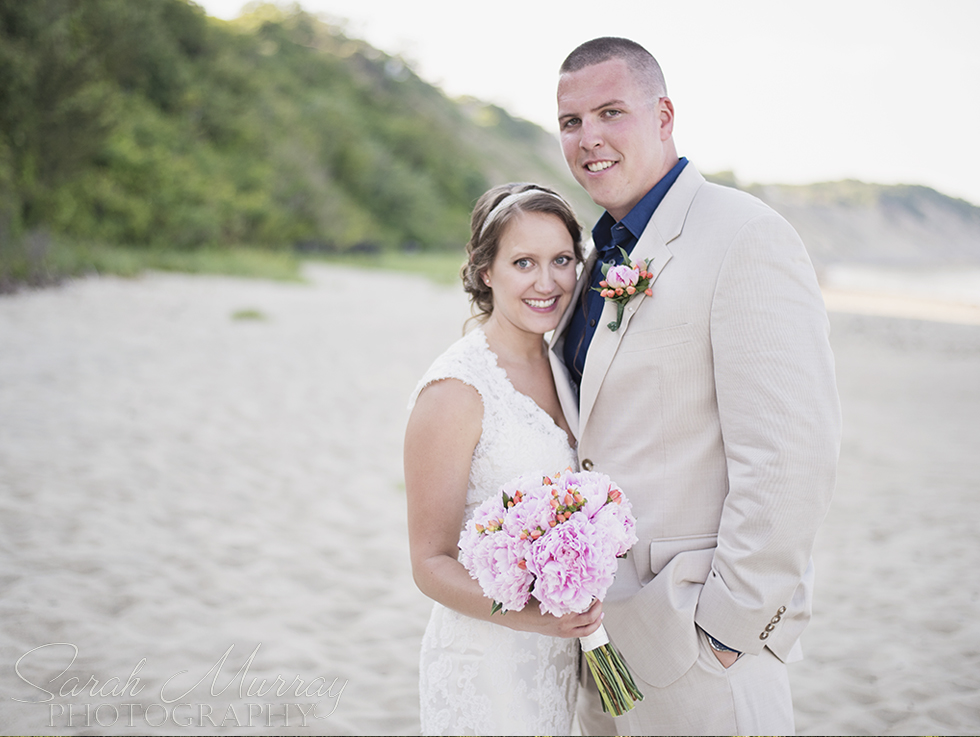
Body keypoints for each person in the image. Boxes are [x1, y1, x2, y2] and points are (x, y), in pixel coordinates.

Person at [548, 37, 842, 735]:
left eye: (610, 112)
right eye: (570, 122)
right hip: (598, 642)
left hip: (699, 644)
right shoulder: (595, 255)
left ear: (663, 114)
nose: (589, 138)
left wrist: (726, 631)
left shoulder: (745, 237)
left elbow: (792, 455)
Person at [404, 182, 604, 735]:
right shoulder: (456, 390)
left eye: (562, 260)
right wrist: (533, 618)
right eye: (524, 263)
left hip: (554, 660)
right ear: (486, 270)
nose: (548, 283)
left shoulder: (565, 366)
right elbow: (429, 563)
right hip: (485, 658)